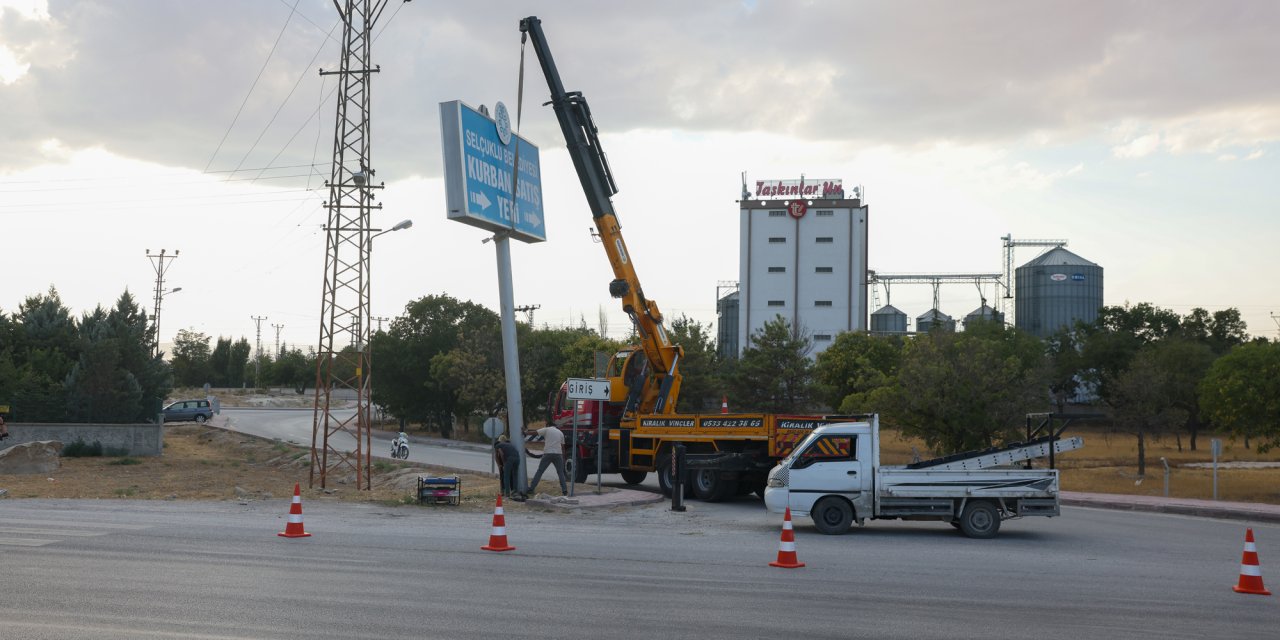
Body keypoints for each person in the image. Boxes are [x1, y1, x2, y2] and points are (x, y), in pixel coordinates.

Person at [524, 424, 567, 496]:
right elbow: (563, 447)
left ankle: (531, 488)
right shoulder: (560, 433)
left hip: (548, 453)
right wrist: (564, 457)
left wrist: (525, 432)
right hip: (558, 454)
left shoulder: (547, 429)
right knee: (560, 473)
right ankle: (564, 490)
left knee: (540, 471)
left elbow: (535, 432)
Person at [493, 435, 522, 499]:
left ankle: (507, 493)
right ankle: (514, 491)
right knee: (515, 475)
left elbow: (501, 454)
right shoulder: (509, 444)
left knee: (506, 476)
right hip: (517, 458)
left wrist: (503, 464)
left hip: (509, 459)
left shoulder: (498, 445)